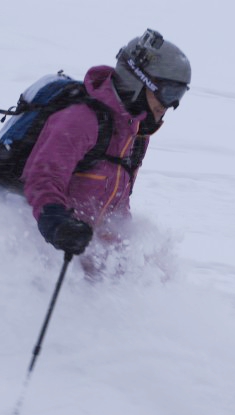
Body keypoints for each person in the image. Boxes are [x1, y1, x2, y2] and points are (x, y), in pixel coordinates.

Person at [22, 29, 191, 274]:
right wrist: (58, 224)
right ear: (139, 81)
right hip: (37, 239)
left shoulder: (135, 134)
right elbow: (42, 179)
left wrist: (120, 254)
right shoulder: (80, 120)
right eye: (169, 93)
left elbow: (116, 201)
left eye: (180, 95)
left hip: (77, 249)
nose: (172, 104)